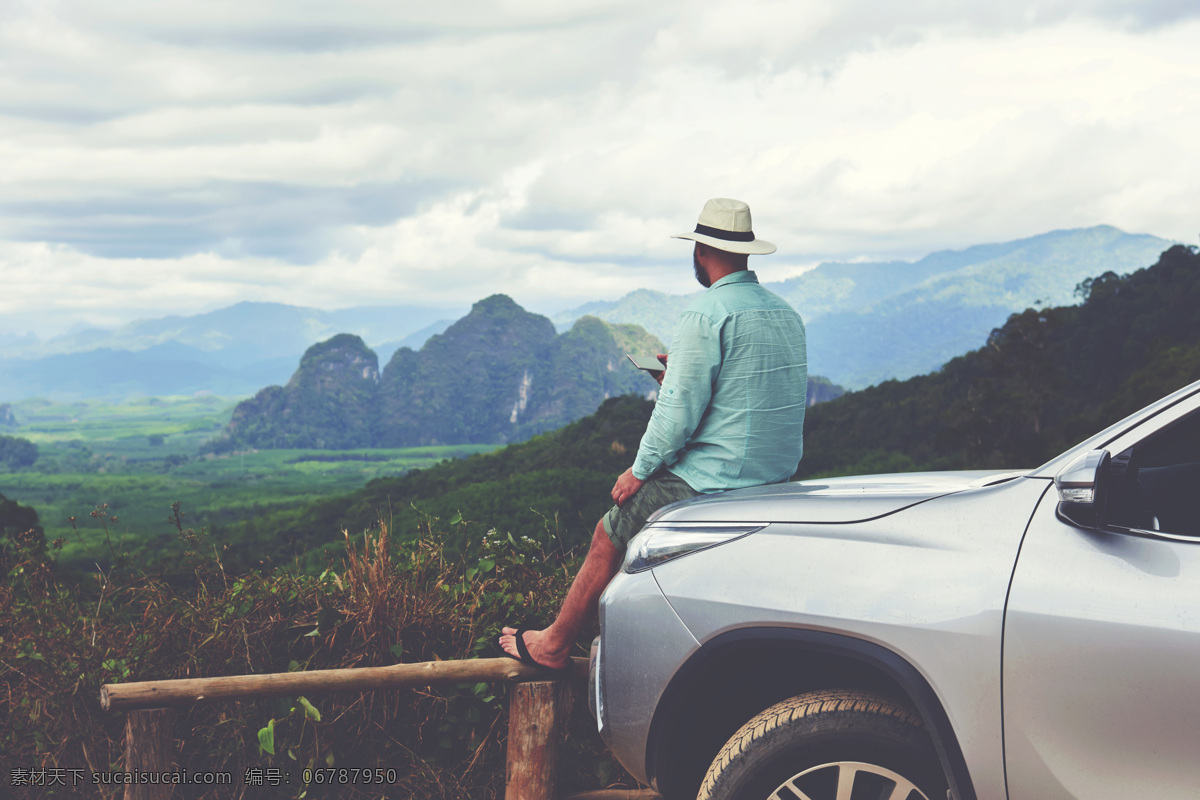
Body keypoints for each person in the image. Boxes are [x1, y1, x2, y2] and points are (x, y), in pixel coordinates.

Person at [499, 197, 808, 670]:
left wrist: (638, 471)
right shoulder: (786, 314)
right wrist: (677, 377)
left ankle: (555, 643)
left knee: (609, 532)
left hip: (716, 477)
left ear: (701, 250)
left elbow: (677, 415)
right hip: (777, 475)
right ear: (747, 252)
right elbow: (752, 399)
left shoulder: (705, 314)